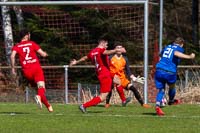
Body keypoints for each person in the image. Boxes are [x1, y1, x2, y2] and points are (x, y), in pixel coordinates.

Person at [69, 38, 126, 113]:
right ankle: (84, 106)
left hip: (103, 73)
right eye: (106, 44)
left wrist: (76, 62)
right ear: (102, 43)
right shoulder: (100, 50)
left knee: (117, 80)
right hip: (104, 74)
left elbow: (85, 58)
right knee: (103, 97)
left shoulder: (92, 52)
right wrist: (116, 50)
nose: (106, 46)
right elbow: (107, 52)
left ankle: (124, 100)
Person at [10, 29, 53, 112]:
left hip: (26, 71)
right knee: (41, 88)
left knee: (38, 90)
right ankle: (39, 97)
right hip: (36, 68)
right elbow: (43, 54)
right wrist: (46, 53)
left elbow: (12, 56)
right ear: (26, 35)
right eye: (29, 34)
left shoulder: (17, 46)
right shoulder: (32, 43)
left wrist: (13, 68)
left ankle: (48, 106)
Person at [154, 37, 195, 116]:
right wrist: (190, 57)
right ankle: (171, 100)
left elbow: (160, 54)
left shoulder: (167, 47)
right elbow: (176, 53)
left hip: (159, 69)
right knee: (172, 86)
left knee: (161, 90)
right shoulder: (179, 48)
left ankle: (157, 106)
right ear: (181, 44)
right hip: (169, 72)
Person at [105, 42, 151, 108]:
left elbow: (128, 70)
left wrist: (133, 77)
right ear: (114, 49)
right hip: (112, 77)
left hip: (122, 78)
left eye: (120, 48)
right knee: (109, 89)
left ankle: (143, 104)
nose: (119, 49)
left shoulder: (125, 59)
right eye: (117, 48)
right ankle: (107, 103)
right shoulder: (110, 57)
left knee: (133, 89)